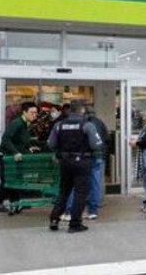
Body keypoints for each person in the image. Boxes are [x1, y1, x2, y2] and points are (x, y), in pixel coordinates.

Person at [46, 100, 103, 233]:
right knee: (80, 193)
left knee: (64, 191)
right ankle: (75, 224)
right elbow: (96, 144)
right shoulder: (87, 125)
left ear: (70, 110)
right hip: (82, 162)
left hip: (65, 162)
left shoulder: (59, 125)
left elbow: (50, 144)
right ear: (82, 110)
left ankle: (54, 220)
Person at [63, 106, 109, 220]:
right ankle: (93, 211)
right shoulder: (100, 122)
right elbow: (106, 138)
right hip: (98, 157)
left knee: (75, 184)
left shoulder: (83, 124)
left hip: (84, 157)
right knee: (95, 183)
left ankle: (70, 211)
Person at [0, 101, 39, 213]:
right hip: (6, 156)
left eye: (36, 113)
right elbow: (6, 139)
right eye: (32, 112)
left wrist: (28, 149)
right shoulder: (17, 123)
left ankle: (16, 203)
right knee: (7, 180)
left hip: (12, 157)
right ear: (24, 112)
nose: (34, 115)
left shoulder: (25, 124)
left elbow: (20, 141)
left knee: (13, 179)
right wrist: (15, 152)